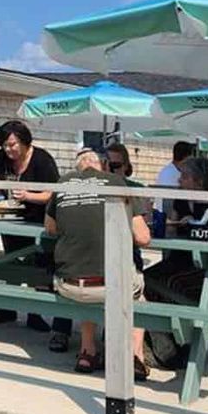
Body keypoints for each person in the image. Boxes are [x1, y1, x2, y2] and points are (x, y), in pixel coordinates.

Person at [45, 148, 151, 378]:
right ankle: (134, 356)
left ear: (77, 168)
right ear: (102, 165)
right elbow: (143, 238)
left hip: (69, 286)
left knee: (88, 273)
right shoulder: (116, 183)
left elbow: (50, 228)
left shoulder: (63, 184)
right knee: (138, 293)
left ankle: (87, 352)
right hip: (108, 287)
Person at [142, 155, 208, 368]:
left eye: (185, 177)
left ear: (199, 181)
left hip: (207, 269)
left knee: (168, 285)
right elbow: (171, 227)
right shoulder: (180, 199)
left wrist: (193, 224)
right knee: (142, 280)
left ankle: (173, 347)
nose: (179, 181)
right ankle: (166, 347)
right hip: (179, 260)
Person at [0, 120, 60, 329]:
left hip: (38, 219)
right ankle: (9, 307)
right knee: (10, 261)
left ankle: (35, 313)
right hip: (10, 218)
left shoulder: (42, 160)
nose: (8, 149)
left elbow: (53, 195)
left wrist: (28, 195)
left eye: (12, 144)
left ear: (25, 141)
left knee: (37, 265)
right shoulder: (1, 158)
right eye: (5, 145)